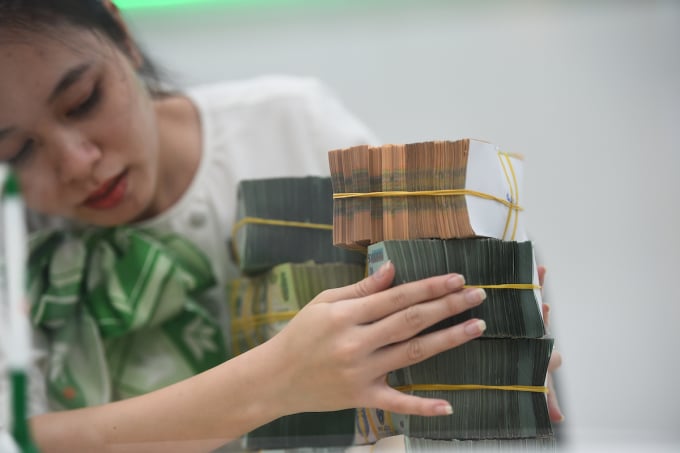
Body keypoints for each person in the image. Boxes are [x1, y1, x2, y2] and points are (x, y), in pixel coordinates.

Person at [0, 1, 563, 452]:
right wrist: (274, 381)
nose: (77, 161)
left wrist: (492, 346)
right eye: (17, 149)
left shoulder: (287, 122)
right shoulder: (14, 242)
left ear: (121, 33)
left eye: (83, 100)